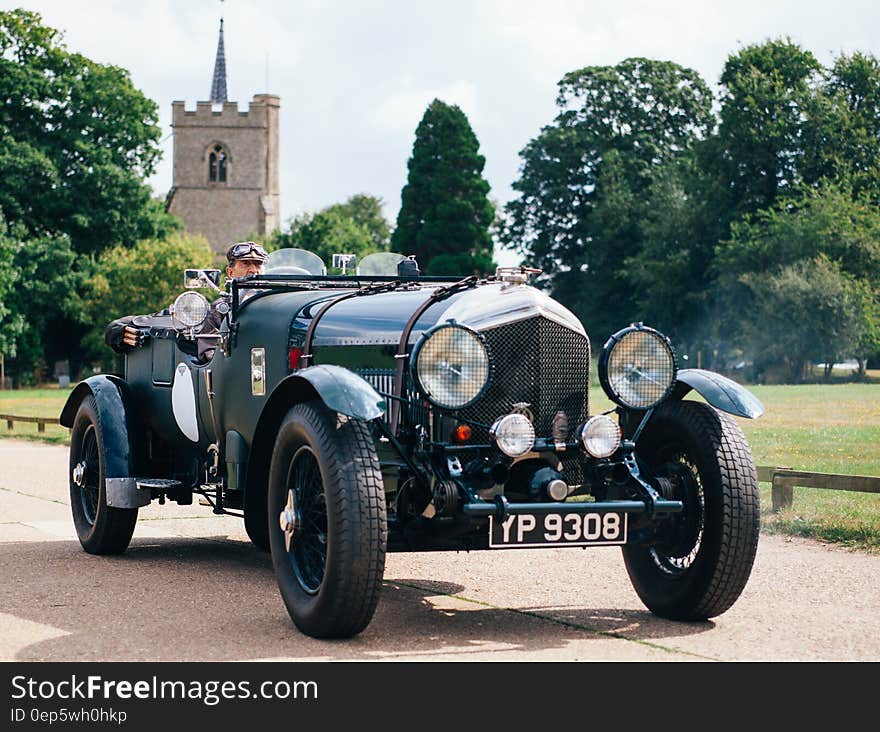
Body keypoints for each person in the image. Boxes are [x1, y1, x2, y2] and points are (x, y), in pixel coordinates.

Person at [105, 241, 268, 356]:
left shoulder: (275, 304)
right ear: (230, 272)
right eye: (246, 263)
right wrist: (120, 328)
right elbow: (208, 352)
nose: (253, 270)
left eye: (258, 264)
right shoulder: (222, 308)